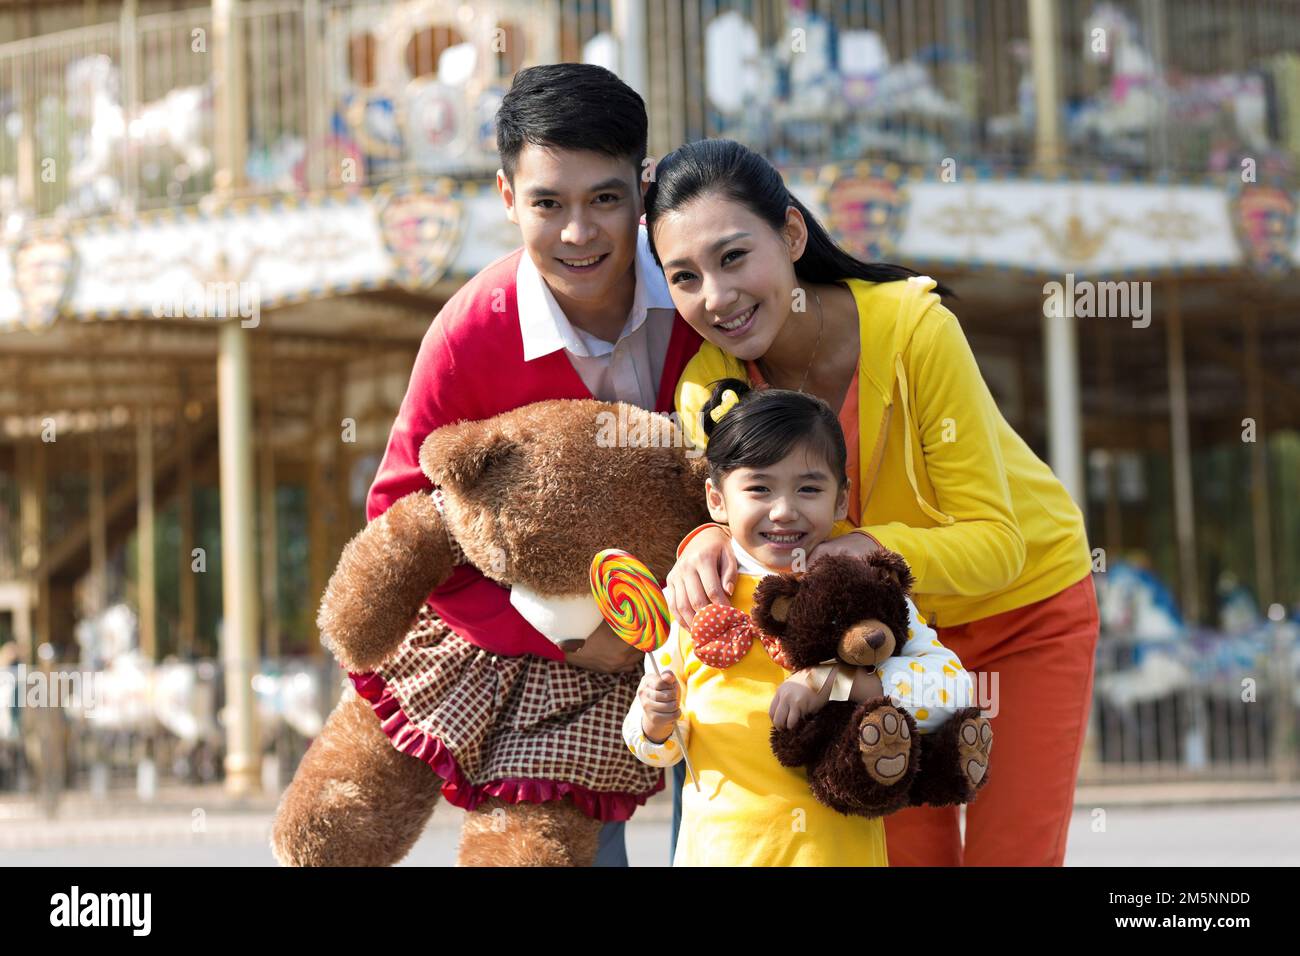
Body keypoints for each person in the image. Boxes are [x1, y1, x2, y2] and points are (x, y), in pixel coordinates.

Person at [646, 139, 1099, 866]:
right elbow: (738, 517)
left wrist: (871, 546)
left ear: (792, 234)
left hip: (1021, 614)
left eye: (734, 257)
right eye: (684, 277)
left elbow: (996, 542)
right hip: (866, 646)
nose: (716, 297)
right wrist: (704, 538)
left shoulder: (918, 329)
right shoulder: (708, 386)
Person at [362, 64, 703, 864]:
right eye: (549, 203)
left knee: (734, 839)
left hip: (711, 635)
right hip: (559, 662)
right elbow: (400, 514)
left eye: (606, 200)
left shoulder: (702, 299)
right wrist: (556, 637)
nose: (579, 233)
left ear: (644, 190)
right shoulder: (468, 334)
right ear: (507, 196)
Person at [623, 380, 975, 865]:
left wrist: (839, 680)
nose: (784, 510)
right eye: (759, 488)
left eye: (808, 488)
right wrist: (653, 722)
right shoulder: (692, 596)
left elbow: (955, 691)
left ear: (839, 500)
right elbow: (656, 750)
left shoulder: (866, 593)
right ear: (717, 499)